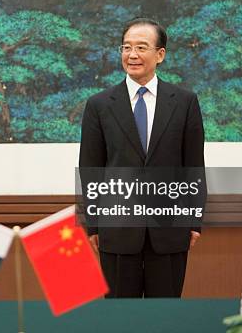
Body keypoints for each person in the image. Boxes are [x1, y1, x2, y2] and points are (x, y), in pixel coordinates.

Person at [79, 17, 204, 298]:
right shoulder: (99, 105)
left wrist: (194, 219)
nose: (132, 55)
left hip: (170, 228)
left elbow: (194, 166)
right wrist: (94, 224)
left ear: (160, 54)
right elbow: (91, 169)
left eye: (141, 47)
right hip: (118, 228)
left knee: (165, 314)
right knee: (122, 319)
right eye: (126, 47)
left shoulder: (184, 102)